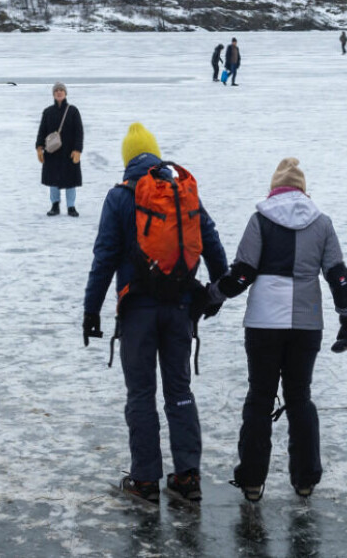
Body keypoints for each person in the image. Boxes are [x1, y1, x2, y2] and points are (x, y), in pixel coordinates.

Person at [83, 123, 228, 502]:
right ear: (156, 154)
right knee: (179, 391)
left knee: (142, 394)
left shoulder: (119, 198)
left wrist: (91, 311)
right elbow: (211, 242)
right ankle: (187, 478)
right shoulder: (181, 192)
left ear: (127, 159)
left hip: (137, 311)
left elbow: (104, 259)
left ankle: (145, 480)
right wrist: (215, 294)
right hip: (180, 308)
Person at [206, 158, 347, 502]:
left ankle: (252, 481)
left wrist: (211, 296)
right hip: (306, 324)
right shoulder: (322, 223)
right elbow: (338, 276)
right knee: (299, 397)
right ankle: (305, 479)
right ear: (303, 190)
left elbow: (242, 273)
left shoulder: (260, 219)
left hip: (263, 323)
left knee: (259, 398)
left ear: (274, 189)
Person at [35, 82, 83, 217]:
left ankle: (71, 206)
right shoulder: (48, 112)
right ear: (53, 94)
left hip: (69, 152)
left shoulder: (73, 111)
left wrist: (77, 150)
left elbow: (79, 132)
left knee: (70, 180)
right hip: (52, 152)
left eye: (61, 90)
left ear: (65, 93)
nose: (59, 92)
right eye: (56, 90)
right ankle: (55, 205)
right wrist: (39, 148)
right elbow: (42, 131)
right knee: (53, 180)